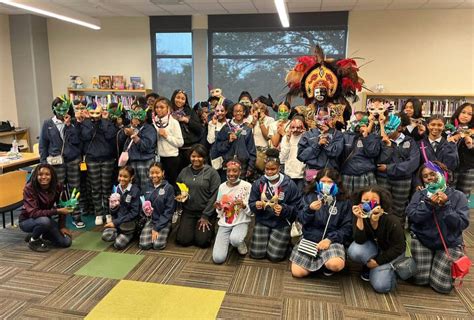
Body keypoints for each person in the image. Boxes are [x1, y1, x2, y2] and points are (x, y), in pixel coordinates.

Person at [406, 161, 469, 293]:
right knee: (420, 280)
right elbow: (412, 216)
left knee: (442, 287)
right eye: (425, 176)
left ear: (443, 174)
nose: (429, 178)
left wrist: (446, 206)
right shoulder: (420, 194)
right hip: (424, 240)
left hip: (447, 242)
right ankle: (429, 261)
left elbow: (461, 224)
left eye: (433, 174)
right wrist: (428, 205)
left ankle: (439, 261)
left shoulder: (458, 196)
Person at [290, 169, 352, 278]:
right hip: (310, 238)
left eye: (330, 182)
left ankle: (326, 263)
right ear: (317, 183)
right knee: (297, 273)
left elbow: (347, 227)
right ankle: (320, 263)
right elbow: (300, 219)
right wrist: (309, 210)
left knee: (335, 265)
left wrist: (330, 239)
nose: (326, 185)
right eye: (323, 181)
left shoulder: (344, 200)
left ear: (337, 183)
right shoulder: (309, 196)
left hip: (331, 240)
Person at [347, 186, 406, 293]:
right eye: (365, 200)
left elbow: (399, 247)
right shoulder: (360, 214)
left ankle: (388, 269)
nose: (369, 203)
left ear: (381, 202)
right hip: (374, 247)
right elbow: (359, 240)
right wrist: (359, 218)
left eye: (374, 200)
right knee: (354, 251)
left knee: (382, 286)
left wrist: (378, 261)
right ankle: (369, 266)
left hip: (391, 251)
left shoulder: (391, 220)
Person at [39, 96, 85, 228]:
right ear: (54, 109)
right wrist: (43, 163)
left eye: (64, 108)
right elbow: (43, 145)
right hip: (55, 162)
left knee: (75, 189)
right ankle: (61, 217)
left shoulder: (74, 122)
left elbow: (78, 141)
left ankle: (77, 216)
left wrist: (69, 125)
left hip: (72, 160)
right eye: (58, 107)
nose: (61, 111)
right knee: (57, 190)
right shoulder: (48, 124)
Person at [248, 149, 301, 262]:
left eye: (273, 169)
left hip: (281, 222)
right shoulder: (259, 183)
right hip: (263, 220)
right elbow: (251, 202)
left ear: (279, 169)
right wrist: (255, 205)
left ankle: (286, 245)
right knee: (256, 254)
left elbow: (297, 207)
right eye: (267, 169)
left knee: (275, 257)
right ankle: (271, 240)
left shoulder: (289, 184)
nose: (270, 172)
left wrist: (284, 209)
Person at [79, 102, 118, 226]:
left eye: (98, 113)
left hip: (107, 159)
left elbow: (111, 135)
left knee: (107, 188)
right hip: (92, 159)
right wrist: (88, 121)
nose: (95, 115)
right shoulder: (85, 123)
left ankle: (108, 212)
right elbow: (85, 136)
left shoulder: (107, 122)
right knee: (95, 188)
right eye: (92, 112)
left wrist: (105, 120)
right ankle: (98, 213)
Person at [376, 113, 420, 223]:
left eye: (389, 126)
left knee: (399, 209)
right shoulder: (379, 141)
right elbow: (377, 160)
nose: (385, 129)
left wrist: (389, 168)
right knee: (381, 207)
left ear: (399, 127)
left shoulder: (410, 141)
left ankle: (398, 235)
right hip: (383, 179)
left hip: (403, 181)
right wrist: (386, 145)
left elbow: (412, 163)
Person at [175, 144, 221, 248]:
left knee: (202, 242)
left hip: (205, 212)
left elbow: (215, 195)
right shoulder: (184, 171)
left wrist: (206, 215)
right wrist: (180, 196)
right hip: (189, 211)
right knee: (183, 241)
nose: (196, 159)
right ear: (190, 157)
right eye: (193, 156)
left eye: (199, 156)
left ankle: (210, 228)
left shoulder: (212, 173)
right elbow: (178, 186)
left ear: (204, 157)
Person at [19, 164, 72, 252]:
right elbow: (34, 213)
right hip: (27, 221)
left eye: (47, 174)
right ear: (36, 175)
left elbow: (63, 206)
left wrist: (62, 226)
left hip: (46, 219)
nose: (43, 177)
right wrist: (57, 211)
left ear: (52, 176)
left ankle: (40, 233)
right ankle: (34, 240)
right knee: (44, 221)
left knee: (66, 242)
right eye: (40, 174)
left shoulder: (58, 186)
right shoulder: (29, 188)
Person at [212, 160, 252, 264]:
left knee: (235, 240)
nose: (231, 174)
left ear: (240, 171)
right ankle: (231, 239)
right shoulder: (222, 186)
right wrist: (219, 207)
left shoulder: (247, 186)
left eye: (235, 171)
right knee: (218, 259)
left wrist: (243, 205)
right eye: (229, 171)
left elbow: (251, 213)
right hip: (225, 222)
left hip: (240, 221)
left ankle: (239, 242)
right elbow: (219, 213)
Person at [297, 111, 344, 183]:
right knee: (310, 193)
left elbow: (335, 153)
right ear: (315, 119)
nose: (322, 122)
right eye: (319, 118)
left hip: (330, 174)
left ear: (331, 119)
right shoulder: (308, 134)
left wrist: (327, 139)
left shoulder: (337, 135)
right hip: (312, 174)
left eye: (325, 119)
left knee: (330, 193)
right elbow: (301, 156)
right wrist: (317, 144)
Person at [118, 107, 157, 192]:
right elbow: (120, 143)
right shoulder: (128, 127)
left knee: (146, 188)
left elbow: (145, 147)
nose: (136, 117)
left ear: (145, 116)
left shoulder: (149, 129)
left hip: (144, 161)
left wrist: (134, 135)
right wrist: (125, 133)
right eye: (133, 113)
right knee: (131, 189)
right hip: (130, 161)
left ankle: (146, 205)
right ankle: (134, 205)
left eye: (139, 114)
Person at [139, 162, 175, 250]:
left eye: (157, 173)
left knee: (158, 245)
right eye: (152, 173)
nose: (154, 175)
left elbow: (169, 210)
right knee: (144, 245)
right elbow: (142, 203)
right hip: (151, 220)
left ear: (163, 173)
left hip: (163, 221)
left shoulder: (168, 188)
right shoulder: (146, 186)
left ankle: (168, 228)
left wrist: (156, 228)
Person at [215, 103, 256, 181]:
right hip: (227, 166)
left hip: (242, 166)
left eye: (240, 111)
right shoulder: (226, 128)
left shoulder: (247, 129)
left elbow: (252, 150)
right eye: (236, 111)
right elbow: (219, 147)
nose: (238, 113)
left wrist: (250, 168)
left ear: (244, 112)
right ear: (232, 113)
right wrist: (228, 141)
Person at [102, 166, 141, 250]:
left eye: (125, 176)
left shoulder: (135, 190)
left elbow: (134, 213)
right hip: (118, 223)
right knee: (105, 236)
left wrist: (115, 222)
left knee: (118, 244)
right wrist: (112, 207)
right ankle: (120, 233)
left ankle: (131, 234)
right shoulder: (115, 189)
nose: (122, 179)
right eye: (120, 176)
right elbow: (112, 211)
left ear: (131, 177)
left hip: (129, 223)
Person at [415, 115, 459, 189]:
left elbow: (453, 165)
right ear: (428, 126)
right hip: (425, 183)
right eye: (433, 124)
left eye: (439, 125)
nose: (435, 127)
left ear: (444, 127)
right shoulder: (419, 144)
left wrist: (449, 146)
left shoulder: (450, 144)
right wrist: (418, 183)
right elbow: (416, 167)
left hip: (445, 183)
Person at [340, 115, 381, 193]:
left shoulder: (373, 136)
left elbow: (372, 153)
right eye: (355, 122)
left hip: (365, 176)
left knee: (365, 202)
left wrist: (365, 136)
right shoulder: (344, 136)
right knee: (347, 202)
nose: (358, 124)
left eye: (361, 122)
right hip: (347, 175)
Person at [151, 97, 184, 189]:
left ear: (168, 108)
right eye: (157, 107)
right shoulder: (153, 122)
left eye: (162, 107)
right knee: (159, 185)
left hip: (172, 158)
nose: (159, 109)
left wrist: (166, 136)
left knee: (172, 185)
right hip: (158, 158)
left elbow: (180, 143)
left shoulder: (174, 122)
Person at [171, 89, 202, 173]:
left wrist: (186, 120)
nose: (180, 100)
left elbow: (199, 129)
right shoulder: (168, 111)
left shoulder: (190, 111)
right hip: (173, 149)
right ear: (173, 98)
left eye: (182, 98)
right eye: (178, 97)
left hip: (188, 149)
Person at [448, 103, 473, 199]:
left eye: (470, 114)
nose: (465, 116)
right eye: (463, 112)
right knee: (449, 194)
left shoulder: (472, 131)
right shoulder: (449, 128)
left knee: (463, 196)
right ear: (458, 112)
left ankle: (461, 214)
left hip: (468, 168)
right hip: (451, 168)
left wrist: (470, 145)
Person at [280, 116, 307, 191]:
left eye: (298, 127)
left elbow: (307, 155)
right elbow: (282, 159)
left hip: (302, 175)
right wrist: (288, 140)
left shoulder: (307, 137)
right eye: (293, 127)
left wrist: (305, 137)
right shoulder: (286, 138)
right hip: (288, 174)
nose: (296, 130)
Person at [247, 102, 274, 174]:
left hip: (263, 151)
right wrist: (253, 121)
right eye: (256, 109)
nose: (259, 111)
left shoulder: (270, 120)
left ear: (265, 110)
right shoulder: (249, 118)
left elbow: (267, 137)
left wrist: (261, 122)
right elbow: (246, 133)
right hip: (251, 151)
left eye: (261, 109)